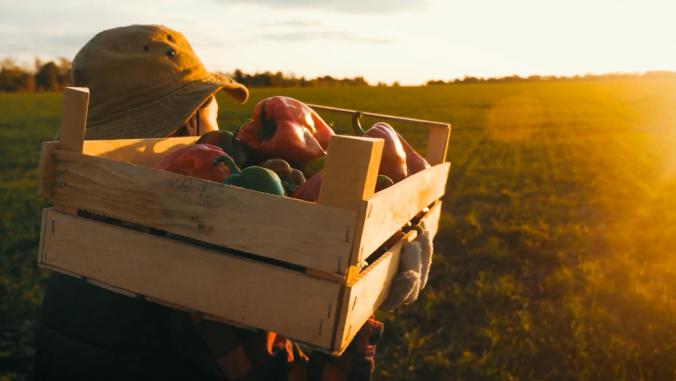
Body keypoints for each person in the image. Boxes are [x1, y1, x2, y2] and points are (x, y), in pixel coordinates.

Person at [35, 25, 433, 381]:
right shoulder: (205, 274)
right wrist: (371, 285)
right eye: (214, 113)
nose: (225, 128)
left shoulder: (86, 222)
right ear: (190, 124)